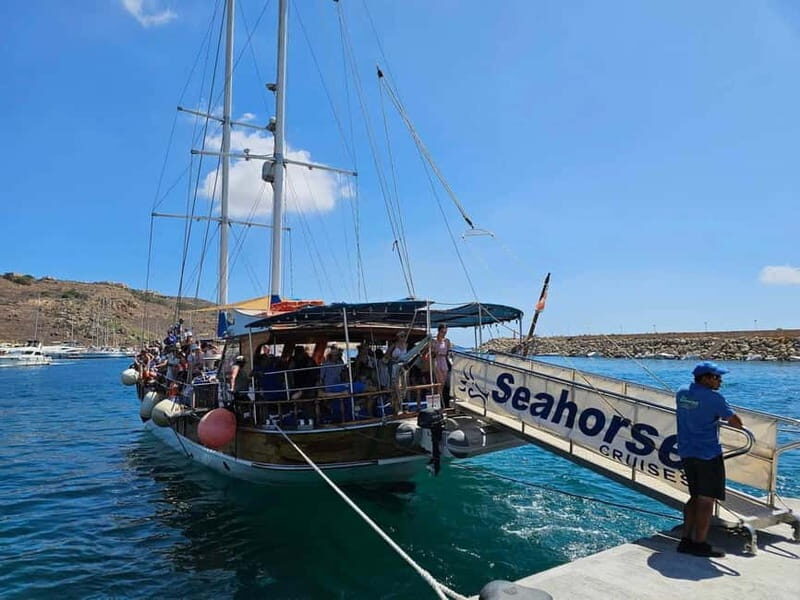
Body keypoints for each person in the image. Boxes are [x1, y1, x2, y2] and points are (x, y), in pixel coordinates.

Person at [675, 361, 743, 557]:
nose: (720, 381)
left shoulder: (681, 392)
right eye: (716, 377)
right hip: (707, 454)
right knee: (706, 500)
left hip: (687, 452)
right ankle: (699, 543)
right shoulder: (714, 398)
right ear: (704, 378)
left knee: (695, 496)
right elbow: (736, 423)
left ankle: (686, 539)